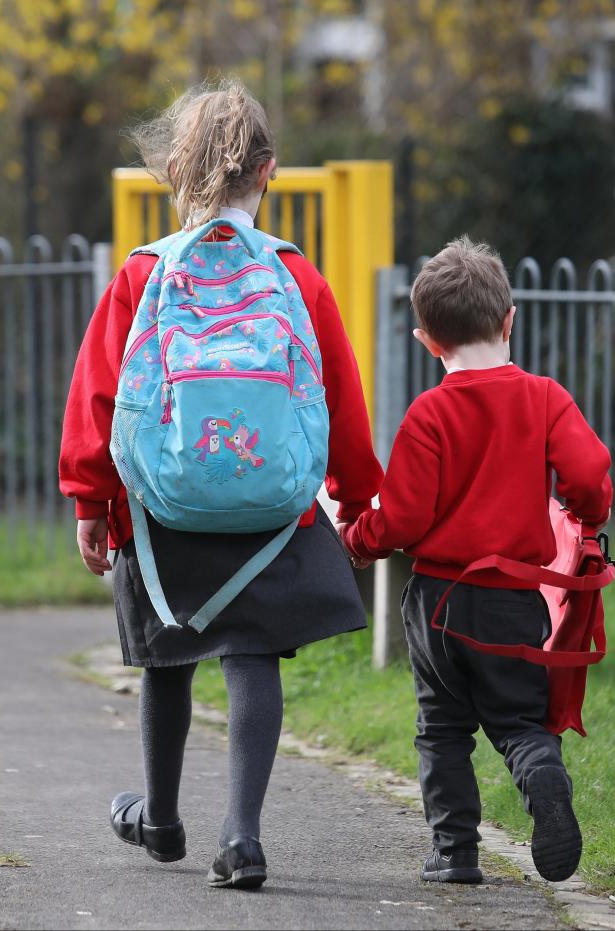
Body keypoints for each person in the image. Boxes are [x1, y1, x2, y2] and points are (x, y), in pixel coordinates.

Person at [59, 79, 382, 890]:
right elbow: (337, 391)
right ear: (269, 171)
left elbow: (99, 395)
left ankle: (162, 818)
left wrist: (91, 500)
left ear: (173, 169)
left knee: (167, 659)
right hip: (273, 509)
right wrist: (356, 488)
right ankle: (241, 835)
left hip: (164, 505)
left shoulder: (141, 276)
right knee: (252, 655)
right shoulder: (296, 279)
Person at [341, 237, 612, 885]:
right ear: (509, 318)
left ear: (428, 341)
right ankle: (541, 773)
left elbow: (401, 518)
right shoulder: (544, 397)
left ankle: (455, 851)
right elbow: (591, 470)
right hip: (513, 598)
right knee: (519, 718)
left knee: (441, 729)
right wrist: (584, 514)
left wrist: (353, 538)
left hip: (436, 603)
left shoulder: (429, 413)